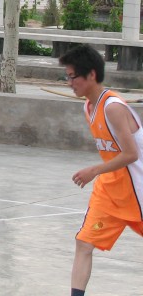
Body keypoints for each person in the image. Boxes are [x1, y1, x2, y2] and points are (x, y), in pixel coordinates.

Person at [59, 45, 143, 296]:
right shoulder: (88, 106)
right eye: (67, 77)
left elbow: (131, 154)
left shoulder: (113, 107)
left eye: (72, 76)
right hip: (111, 190)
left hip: (137, 189)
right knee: (84, 242)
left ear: (91, 75)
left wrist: (94, 170)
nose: (69, 83)